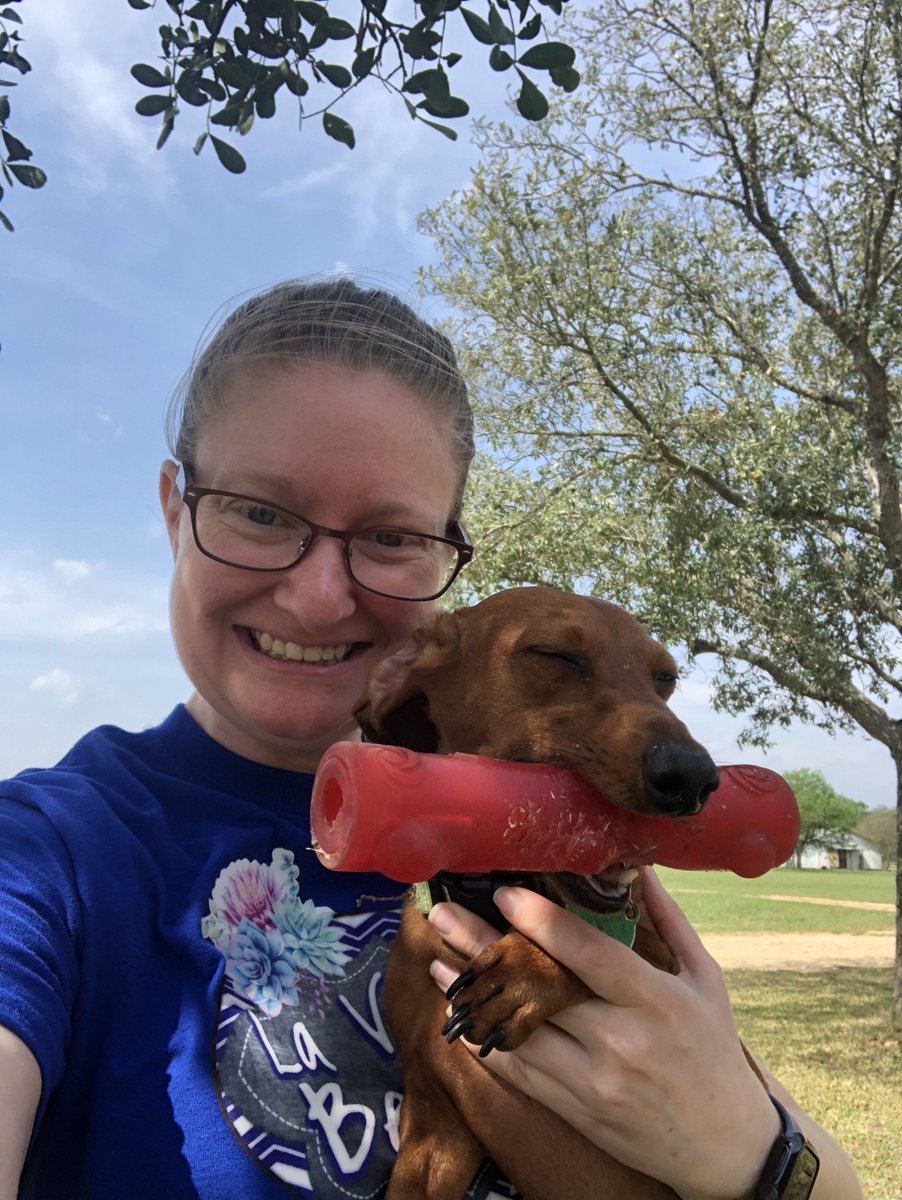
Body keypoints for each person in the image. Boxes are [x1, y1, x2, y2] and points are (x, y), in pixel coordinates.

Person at [0, 278, 861, 1200]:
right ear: (176, 509)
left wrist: (753, 1153)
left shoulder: (580, 850)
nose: (319, 598)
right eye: (259, 512)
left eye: (389, 535)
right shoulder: (49, 856)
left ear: (447, 557)